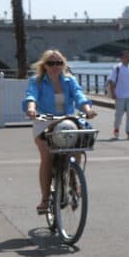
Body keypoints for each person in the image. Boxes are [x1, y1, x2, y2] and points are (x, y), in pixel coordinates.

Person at [23, 49, 96, 215]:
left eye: (59, 63)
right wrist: (31, 108)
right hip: (45, 121)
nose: (55, 66)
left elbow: (79, 96)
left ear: (63, 64)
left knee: (77, 148)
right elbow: (31, 96)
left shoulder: (70, 81)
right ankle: (45, 198)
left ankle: (73, 177)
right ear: (45, 66)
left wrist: (87, 109)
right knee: (47, 158)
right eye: (51, 63)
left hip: (67, 121)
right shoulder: (37, 81)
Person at [106, 49, 129, 139]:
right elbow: (111, 81)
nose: (128, 58)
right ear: (122, 58)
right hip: (120, 95)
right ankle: (116, 128)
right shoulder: (117, 68)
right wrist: (113, 93)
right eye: (126, 56)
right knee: (119, 114)